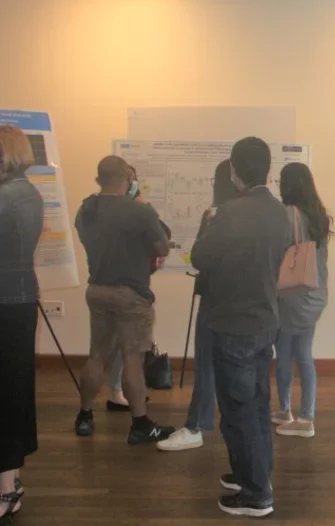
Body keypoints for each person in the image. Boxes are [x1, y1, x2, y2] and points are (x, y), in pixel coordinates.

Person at [191, 137, 292, 518]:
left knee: (238, 410)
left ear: (234, 170)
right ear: (267, 169)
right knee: (256, 405)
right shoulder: (280, 212)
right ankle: (252, 474)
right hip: (264, 319)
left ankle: (255, 494)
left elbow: (201, 257)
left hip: (232, 321)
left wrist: (209, 225)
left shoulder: (230, 213)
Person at [73, 156, 174, 445]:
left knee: (97, 355)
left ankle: (84, 416)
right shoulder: (138, 211)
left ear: (99, 179)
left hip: (97, 290)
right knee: (132, 357)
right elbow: (163, 247)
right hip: (131, 294)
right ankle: (140, 423)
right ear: (127, 179)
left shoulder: (86, 209)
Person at [158, 159, 238, 451]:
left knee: (206, 364)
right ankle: (237, 429)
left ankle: (196, 426)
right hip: (247, 300)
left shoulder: (215, 215)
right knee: (243, 366)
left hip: (216, 297)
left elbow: (200, 257)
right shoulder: (262, 215)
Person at [0, 126, 43, 523]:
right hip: (19, 300)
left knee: (8, 394)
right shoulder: (26, 191)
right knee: (13, 390)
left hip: (6, 305)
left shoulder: (8, 196)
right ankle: (9, 481)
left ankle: (8, 487)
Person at [271, 162, 332, 439]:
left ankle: (296, 414)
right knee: (304, 351)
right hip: (315, 294)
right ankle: (303, 412)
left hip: (290, 295)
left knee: (285, 353)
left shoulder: (287, 215)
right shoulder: (319, 215)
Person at [106, 164, 172, 412]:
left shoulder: (135, 209)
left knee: (126, 344)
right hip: (126, 285)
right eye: (130, 180)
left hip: (129, 282)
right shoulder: (124, 211)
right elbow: (160, 236)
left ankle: (120, 392)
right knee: (124, 344)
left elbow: (162, 232)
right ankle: (120, 395)